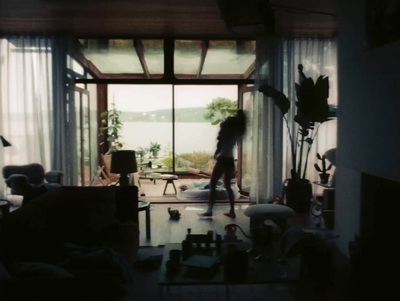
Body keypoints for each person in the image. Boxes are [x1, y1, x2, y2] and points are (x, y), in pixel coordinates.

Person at [199, 109, 247, 218]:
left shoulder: (226, 133)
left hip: (222, 160)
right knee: (228, 186)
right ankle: (232, 211)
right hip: (230, 161)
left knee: (213, 184)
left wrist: (215, 155)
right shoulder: (237, 133)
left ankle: (209, 211)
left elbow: (220, 146)